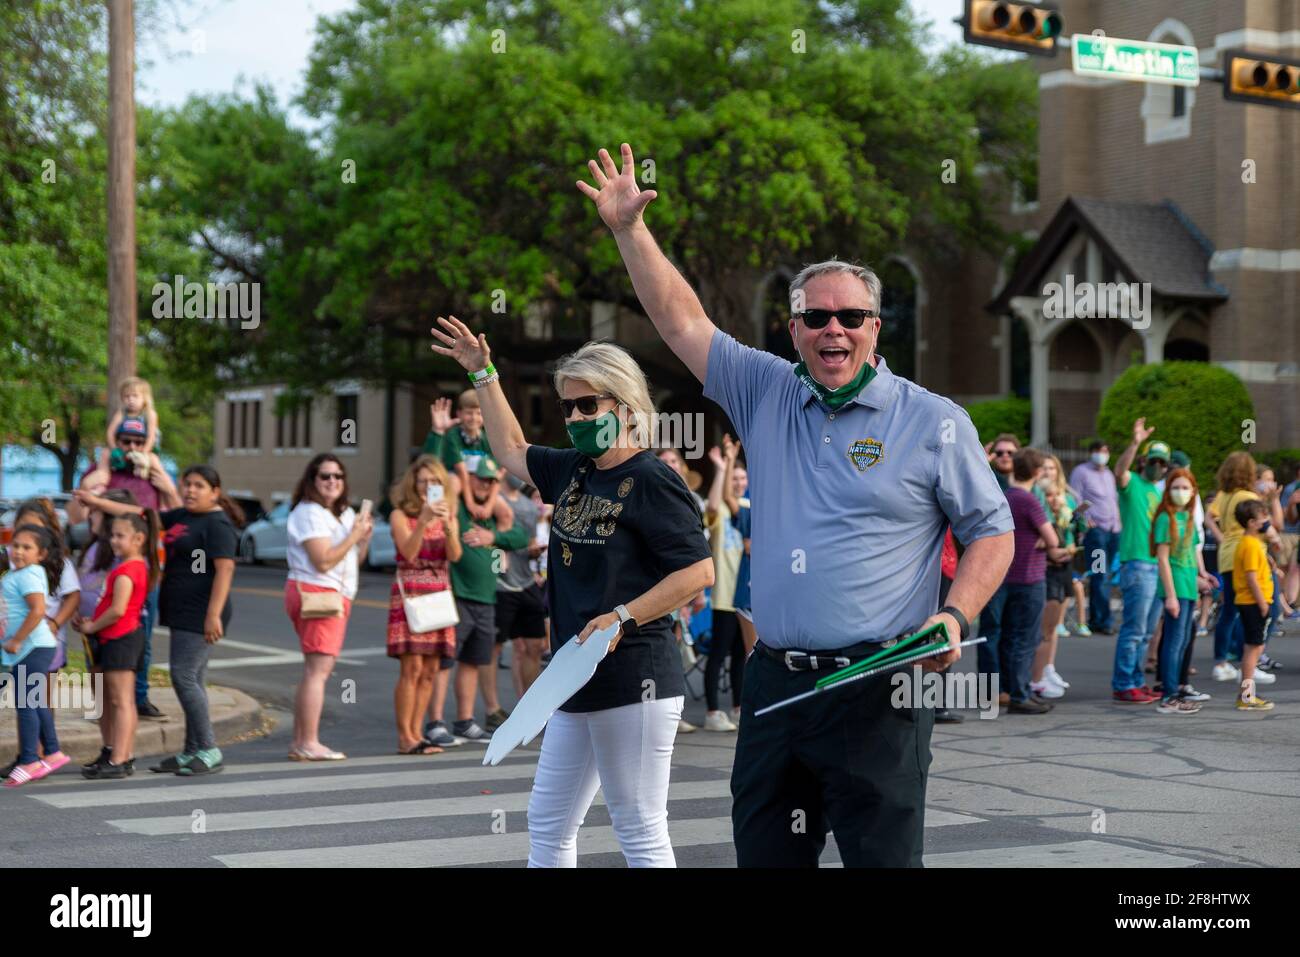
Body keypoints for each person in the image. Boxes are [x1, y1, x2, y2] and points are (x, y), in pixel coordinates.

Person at [574, 143, 1013, 867]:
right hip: (776, 683)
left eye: (851, 316)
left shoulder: (934, 421)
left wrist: (955, 615)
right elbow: (682, 321)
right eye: (816, 318)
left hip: (881, 686)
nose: (832, 329)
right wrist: (629, 230)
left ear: (877, 326)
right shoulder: (766, 389)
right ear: (795, 328)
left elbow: (991, 532)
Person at [432, 318, 714, 867]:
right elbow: (510, 447)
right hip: (572, 674)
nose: (577, 417)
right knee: (550, 821)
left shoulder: (653, 479)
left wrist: (622, 616)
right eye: (568, 407)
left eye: (589, 405)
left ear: (626, 405)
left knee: (637, 825)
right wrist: (482, 373)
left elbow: (698, 572)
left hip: (635, 675)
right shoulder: (573, 470)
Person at [70, 418, 180, 720]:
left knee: (137, 636)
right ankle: (101, 705)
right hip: (104, 554)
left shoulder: (152, 472)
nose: (131, 447)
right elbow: (75, 513)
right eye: (125, 441)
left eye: (138, 441)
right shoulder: (101, 472)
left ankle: (137, 697)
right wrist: (97, 479)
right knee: (98, 642)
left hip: (140, 564)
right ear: (115, 442)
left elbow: (167, 513)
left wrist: (163, 480)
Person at [417, 454, 525, 744]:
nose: (485, 485)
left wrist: (493, 538)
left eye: (491, 481)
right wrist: (462, 479)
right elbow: (448, 479)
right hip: (458, 596)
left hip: (486, 598)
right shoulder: (458, 507)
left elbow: (520, 537)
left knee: (472, 662)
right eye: (480, 479)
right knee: (444, 661)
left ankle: (464, 721)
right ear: (470, 479)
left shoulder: (491, 517)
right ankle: (435, 722)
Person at [152, 466, 243, 774]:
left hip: (201, 611)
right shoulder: (184, 516)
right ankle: (191, 750)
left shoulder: (217, 524)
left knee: (184, 677)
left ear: (215, 492)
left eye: (199, 486)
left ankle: (208, 747)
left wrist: (213, 615)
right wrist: (98, 502)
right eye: (187, 484)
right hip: (182, 609)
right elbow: (143, 514)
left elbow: (225, 570)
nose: (190, 490)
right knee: (195, 679)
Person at [284, 454, 373, 761]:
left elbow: (349, 562)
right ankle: (309, 741)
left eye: (338, 476)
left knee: (314, 670)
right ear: (312, 481)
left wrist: (362, 541)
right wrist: (353, 537)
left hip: (332, 594)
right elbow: (322, 561)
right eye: (325, 476)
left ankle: (301, 741)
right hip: (317, 593)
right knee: (318, 671)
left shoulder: (342, 513)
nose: (332, 481)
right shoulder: (310, 512)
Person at [73, 510, 159, 779]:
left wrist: (91, 626)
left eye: (120, 536)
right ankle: (113, 752)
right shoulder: (128, 567)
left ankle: (120, 758)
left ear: (139, 538)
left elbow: (118, 610)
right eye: (112, 535)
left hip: (121, 639)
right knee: (110, 700)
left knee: (121, 701)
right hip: (112, 639)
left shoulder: (128, 569)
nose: (113, 541)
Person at [387, 454, 460, 754]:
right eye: (423, 481)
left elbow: (455, 556)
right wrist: (424, 521)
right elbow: (408, 553)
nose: (428, 486)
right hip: (411, 595)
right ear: (413, 484)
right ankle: (405, 736)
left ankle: (418, 733)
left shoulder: (448, 514)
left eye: (435, 482)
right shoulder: (400, 515)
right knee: (412, 668)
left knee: (430, 670)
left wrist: (449, 527)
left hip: (439, 596)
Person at [1206, 452, 1283, 684]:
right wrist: (1275, 539)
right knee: (1267, 607)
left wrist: (1222, 538)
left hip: (1228, 554)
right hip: (1250, 553)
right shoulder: (1249, 496)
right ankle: (1251, 659)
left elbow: (1209, 518)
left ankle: (1221, 661)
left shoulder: (1224, 495)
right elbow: (1271, 525)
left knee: (1230, 610)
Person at [2, 525, 70, 787]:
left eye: (26, 547)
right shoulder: (22, 573)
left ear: (41, 553)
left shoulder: (28, 575)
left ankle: (30, 759)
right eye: (15, 545)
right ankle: (52, 752)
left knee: (26, 703)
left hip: (31, 647)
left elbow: (38, 610)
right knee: (35, 701)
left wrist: (17, 639)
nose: (18, 551)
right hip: (34, 647)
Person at [1001, 449, 1068, 714]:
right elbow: (1052, 540)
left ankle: (1016, 689)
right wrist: (1050, 542)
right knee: (1026, 638)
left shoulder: (1006, 496)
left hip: (1006, 574)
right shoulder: (1029, 500)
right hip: (1030, 575)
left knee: (1010, 636)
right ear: (1037, 472)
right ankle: (1021, 693)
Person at [1111, 421, 1168, 703]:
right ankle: (1123, 683)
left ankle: (1134, 681)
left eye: (1162, 462)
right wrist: (1135, 442)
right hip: (1137, 564)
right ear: (1144, 460)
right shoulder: (1132, 481)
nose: (1157, 465)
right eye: (1153, 460)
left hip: (1157, 566)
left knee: (1145, 633)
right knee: (1134, 630)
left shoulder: (1159, 493)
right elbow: (1119, 471)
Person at [1152, 468, 1216, 714]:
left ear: (1193, 492)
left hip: (1189, 586)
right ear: (1168, 491)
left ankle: (1175, 690)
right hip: (1176, 587)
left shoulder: (1187, 518)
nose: (1181, 492)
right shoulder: (1165, 518)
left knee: (1183, 639)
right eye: (1176, 487)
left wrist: (1202, 576)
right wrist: (1170, 596)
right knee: (1174, 641)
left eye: (1185, 488)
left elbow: (1190, 554)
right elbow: (1163, 560)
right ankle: (1169, 696)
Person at [492, 471, 548, 720]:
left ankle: (530, 707)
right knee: (500, 648)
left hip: (527, 581)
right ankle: (493, 709)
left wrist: (535, 552)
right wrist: (494, 572)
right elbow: (490, 542)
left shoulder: (528, 506)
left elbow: (532, 541)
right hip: (501, 585)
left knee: (534, 646)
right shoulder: (494, 499)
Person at [702, 437, 745, 732]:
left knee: (742, 654)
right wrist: (724, 465)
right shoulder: (723, 508)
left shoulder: (751, 505)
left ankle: (739, 706)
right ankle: (713, 711)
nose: (740, 482)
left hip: (746, 594)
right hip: (723, 593)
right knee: (719, 653)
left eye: (744, 477)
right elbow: (715, 504)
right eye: (736, 477)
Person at [1070, 440, 1121, 636]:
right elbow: (1076, 497)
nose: (1102, 454)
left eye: (1105, 451)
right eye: (1099, 451)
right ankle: (1102, 620)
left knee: (1106, 575)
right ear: (1091, 453)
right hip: (1096, 531)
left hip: (1113, 530)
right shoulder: (1081, 472)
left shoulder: (1108, 474)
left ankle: (1100, 618)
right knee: (1100, 573)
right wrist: (1086, 519)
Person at [426, 392, 498, 522]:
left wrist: (489, 505)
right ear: (459, 413)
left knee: (506, 512)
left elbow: (496, 475)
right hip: (458, 479)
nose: (474, 418)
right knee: (454, 483)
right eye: (469, 413)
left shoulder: (486, 440)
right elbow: (461, 471)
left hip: (479, 482)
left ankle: (494, 538)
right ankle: (449, 521)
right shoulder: (453, 435)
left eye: (479, 413)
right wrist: (470, 503)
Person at [1233, 499, 1276, 710]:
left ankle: (1247, 694)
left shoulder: (1253, 543)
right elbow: (1251, 578)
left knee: (1255, 646)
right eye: (1262, 518)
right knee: (1253, 648)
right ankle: (1247, 695)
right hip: (1252, 602)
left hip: (1253, 601)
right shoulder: (1249, 544)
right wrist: (1262, 602)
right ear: (1251, 522)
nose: (1266, 521)